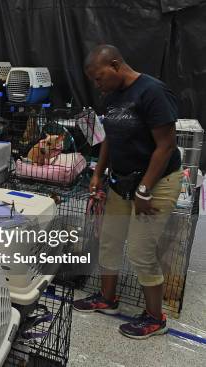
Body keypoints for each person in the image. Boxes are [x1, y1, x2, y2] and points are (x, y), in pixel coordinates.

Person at [74, 45, 182, 339]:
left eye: (99, 78)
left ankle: (155, 318)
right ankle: (107, 300)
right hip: (121, 181)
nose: (97, 85)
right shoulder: (112, 96)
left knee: (140, 250)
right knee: (108, 240)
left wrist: (145, 189)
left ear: (115, 65)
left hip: (156, 183)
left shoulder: (152, 92)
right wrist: (97, 173)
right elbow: (111, 136)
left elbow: (166, 146)